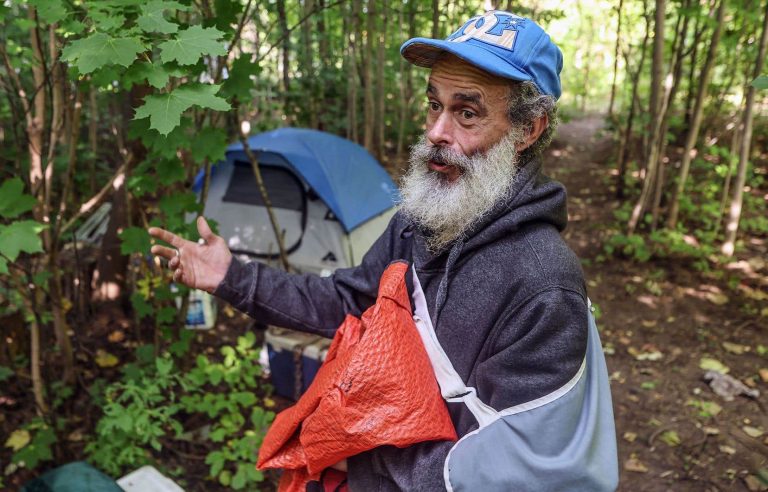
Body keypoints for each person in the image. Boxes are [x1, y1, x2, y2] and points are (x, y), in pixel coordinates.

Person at [150, 10, 618, 491]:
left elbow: (524, 469)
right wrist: (232, 276)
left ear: (528, 130)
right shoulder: (422, 223)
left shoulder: (543, 286)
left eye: (467, 113)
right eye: (434, 105)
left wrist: (363, 464)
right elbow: (348, 301)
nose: (437, 131)